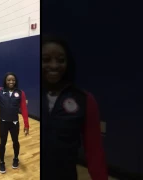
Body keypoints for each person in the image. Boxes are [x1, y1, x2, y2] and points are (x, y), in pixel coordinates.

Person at [41, 35, 108, 180]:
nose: (54, 65)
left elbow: (94, 151)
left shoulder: (84, 99)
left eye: (61, 60)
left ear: (68, 63)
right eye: (46, 60)